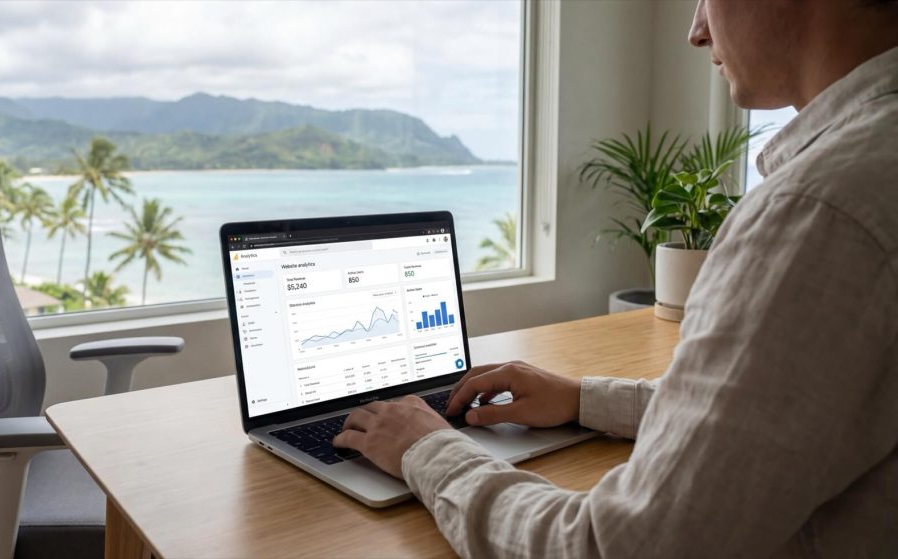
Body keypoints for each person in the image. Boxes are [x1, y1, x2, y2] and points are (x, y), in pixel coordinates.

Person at [333, 0, 898, 556]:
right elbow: (766, 418)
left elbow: (609, 546)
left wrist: (427, 448)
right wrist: (581, 399)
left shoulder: (818, 212)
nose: (696, 30)